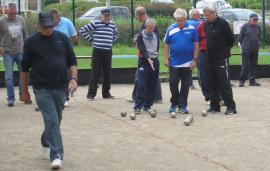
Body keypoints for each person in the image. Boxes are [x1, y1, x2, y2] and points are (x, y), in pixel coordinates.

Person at [20, 12, 78, 169]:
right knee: (52, 120)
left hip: (60, 87)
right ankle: (57, 155)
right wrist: (24, 91)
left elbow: (72, 60)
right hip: (41, 88)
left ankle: (45, 141)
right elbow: (24, 68)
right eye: (45, 27)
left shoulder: (62, 38)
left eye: (50, 26)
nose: (48, 30)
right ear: (39, 25)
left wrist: (73, 79)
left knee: (56, 120)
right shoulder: (31, 42)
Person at [164, 8, 199, 114]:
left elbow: (196, 45)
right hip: (174, 61)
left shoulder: (192, 28)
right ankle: (174, 103)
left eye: (181, 20)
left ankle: (182, 105)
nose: (179, 22)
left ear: (185, 19)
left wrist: (194, 59)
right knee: (173, 83)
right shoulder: (171, 28)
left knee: (185, 85)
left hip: (188, 62)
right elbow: (166, 44)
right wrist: (166, 58)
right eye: (177, 20)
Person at [203, 6, 237, 115]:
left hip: (221, 58)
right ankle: (214, 106)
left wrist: (223, 50)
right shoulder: (206, 24)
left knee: (224, 83)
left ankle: (231, 107)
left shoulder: (223, 24)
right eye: (205, 15)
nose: (206, 17)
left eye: (207, 15)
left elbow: (231, 40)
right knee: (211, 83)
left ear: (214, 13)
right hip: (210, 58)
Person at [79, 8, 119, 100]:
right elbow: (82, 30)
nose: (107, 17)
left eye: (108, 15)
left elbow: (116, 34)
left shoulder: (112, 24)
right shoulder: (95, 23)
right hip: (97, 51)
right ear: (101, 16)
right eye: (105, 16)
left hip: (108, 51)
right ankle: (91, 94)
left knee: (107, 72)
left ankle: (106, 94)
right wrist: (91, 40)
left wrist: (111, 41)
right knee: (95, 73)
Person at [127, 5, 163, 103]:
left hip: (146, 56)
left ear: (139, 15)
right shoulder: (150, 22)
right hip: (151, 55)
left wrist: (138, 42)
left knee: (140, 75)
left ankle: (136, 97)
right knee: (152, 75)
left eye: (136, 16)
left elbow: (149, 41)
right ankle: (157, 97)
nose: (136, 18)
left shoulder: (146, 24)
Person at [0, 2, 27, 106]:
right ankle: (10, 98)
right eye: (11, 13)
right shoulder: (2, 21)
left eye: (15, 13)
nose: (13, 15)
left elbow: (25, 33)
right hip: (7, 53)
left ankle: (22, 95)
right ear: (7, 11)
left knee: (23, 75)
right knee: (9, 77)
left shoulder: (21, 19)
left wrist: (26, 47)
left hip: (20, 52)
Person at [50, 8, 78, 106]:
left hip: (65, 54)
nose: (53, 22)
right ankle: (54, 97)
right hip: (52, 54)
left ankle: (65, 97)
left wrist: (67, 46)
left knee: (65, 75)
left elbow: (75, 36)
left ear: (58, 17)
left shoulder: (67, 22)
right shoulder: (49, 25)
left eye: (54, 19)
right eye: (51, 20)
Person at [133, 18, 160, 114]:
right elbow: (142, 49)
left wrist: (153, 59)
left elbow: (156, 48)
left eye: (153, 28)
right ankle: (137, 106)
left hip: (154, 60)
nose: (151, 30)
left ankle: (147, 105)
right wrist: (148, 59)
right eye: (149, 28)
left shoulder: (156, 35)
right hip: (144, 61)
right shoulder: (140, 36)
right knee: (141, 83)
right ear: (145, 27)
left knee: (152, 84)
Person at [238, 13, 261, 87]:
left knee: (253, 65)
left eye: (256, 20)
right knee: (245, 65)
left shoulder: (258, 26)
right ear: (250, 19)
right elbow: (240, 38)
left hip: (255, 49)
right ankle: (242, 81)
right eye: (254, 19)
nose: (255, 21)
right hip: (246, 49)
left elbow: (258, 36)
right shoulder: (244, 26)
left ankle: (252, 81)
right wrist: (244, 46)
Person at [196, 21, 210, 104]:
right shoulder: (201, 26)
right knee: (203, 74)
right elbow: (195, 41)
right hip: (203, 52)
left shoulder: (220, 24)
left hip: (214, 53)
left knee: (215, 74)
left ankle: (219, 96)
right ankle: (207, 96)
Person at [187, 9, 201, 90]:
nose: (199, 17)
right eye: (198, 15)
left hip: (188, 48)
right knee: (200, 67)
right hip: (197, 48)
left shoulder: (186, 23)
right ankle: (201, 82)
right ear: (193, 15)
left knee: (189, 67)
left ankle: (190, 84)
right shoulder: (198, 24)